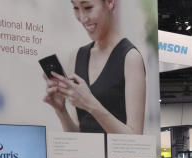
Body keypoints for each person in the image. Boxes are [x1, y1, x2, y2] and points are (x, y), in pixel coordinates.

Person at [43, 0, 146, 135]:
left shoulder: (130, 58)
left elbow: (135, 138)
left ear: (109, 2)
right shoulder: (77, 57)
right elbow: (79, 136)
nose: (83, 18)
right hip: (85, 156)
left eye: (88, 7)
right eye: (76, 8)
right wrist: (61, 110)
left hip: (118, 156)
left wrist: (91, 104)